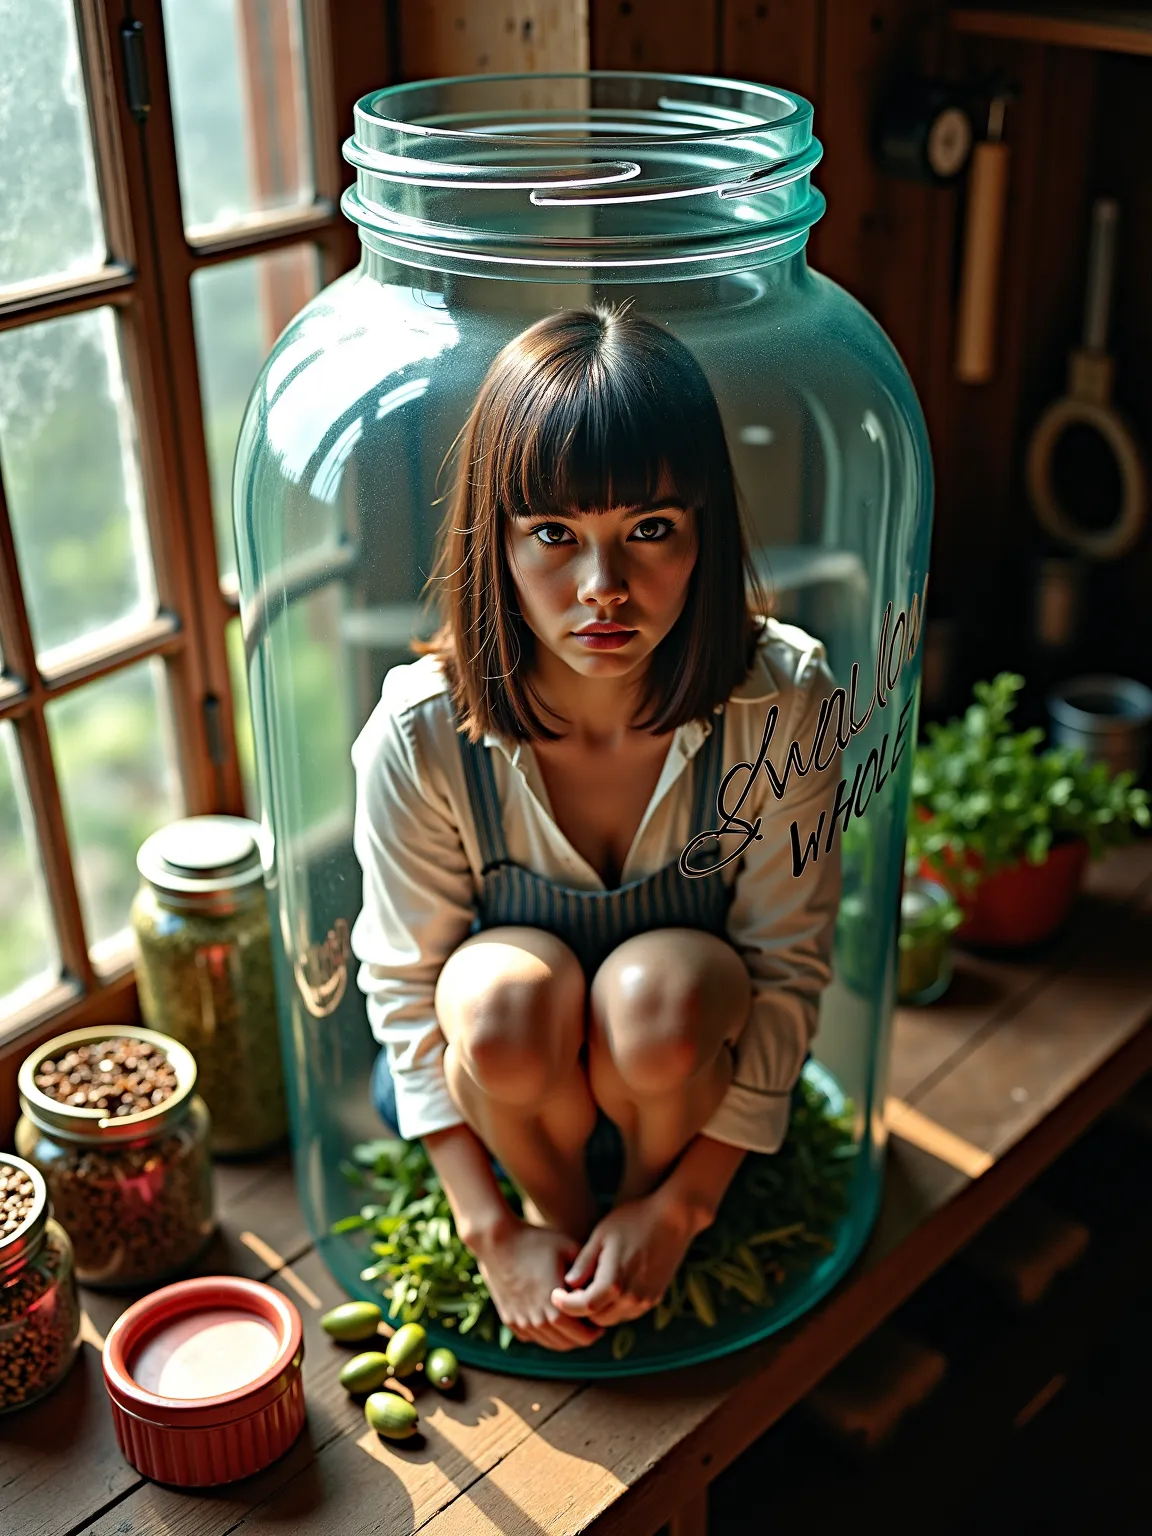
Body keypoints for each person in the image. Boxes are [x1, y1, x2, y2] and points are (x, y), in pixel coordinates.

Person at [349, 304, 842, 1354]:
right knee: (499, 1000)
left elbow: (787, 964)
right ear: (499, 536)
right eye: (556, 536)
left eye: (650, 530)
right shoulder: (422, 732)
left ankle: (643, 1219)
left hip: (685, 1089)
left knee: (660, 994)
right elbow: (404, 989)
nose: (602, 589)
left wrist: (681, 1207)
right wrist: (492, 1235)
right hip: (513, 1109)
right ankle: (566, 1230)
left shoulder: (780, 700)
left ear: (706, 528)